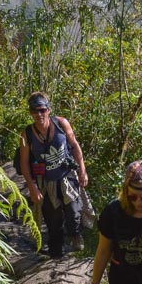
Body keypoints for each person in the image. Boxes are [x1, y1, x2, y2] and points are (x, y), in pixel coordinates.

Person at [18, 92, 88, 257]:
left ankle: (75, 237)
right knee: (52, 218)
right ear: (30, 113)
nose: (39, 114)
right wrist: (32, 187)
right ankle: (56, 251)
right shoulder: (26, 134)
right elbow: (24, 162)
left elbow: (75, 146)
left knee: (73, 210)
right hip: (45, 181)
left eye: (42, 110)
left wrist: (82, 170)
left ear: (48, 110)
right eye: (35, 111)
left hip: (66, 176)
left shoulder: (61, 124)